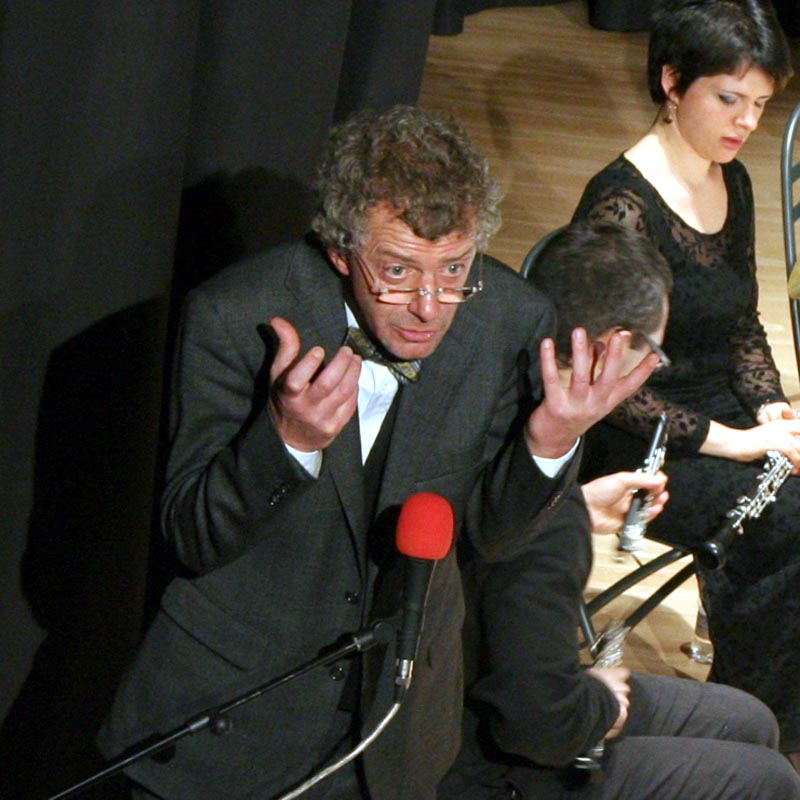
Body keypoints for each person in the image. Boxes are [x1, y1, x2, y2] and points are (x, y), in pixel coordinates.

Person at [95, 106, 657, 800]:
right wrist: (286, 443)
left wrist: (550, 443)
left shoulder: (509, 320)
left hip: (394, 736)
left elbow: (489, 537)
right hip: (230, 729)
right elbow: (192, 535)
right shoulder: (236, 315)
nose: (430, 305)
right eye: (397, 270)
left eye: (455, 269)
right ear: (340, 252)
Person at [438, 220, 800, 800]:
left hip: (505, 684)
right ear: (608, 349)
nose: (655, 368)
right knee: (771, 779)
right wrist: (601, 703)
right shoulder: (541, 496)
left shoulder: (506, 410)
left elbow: (485, 552)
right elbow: (538, 724)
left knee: (752, 720)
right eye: (654, 352)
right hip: (480, 756)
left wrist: (578, 506)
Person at [570, 0, 800, 766]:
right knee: (790, 526)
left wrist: (774, 410)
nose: (747, 123)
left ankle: (771, 699)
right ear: (672, 82)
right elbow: (608, 382)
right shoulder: (620, 206)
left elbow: (741, 323)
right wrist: (740, 443)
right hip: (639, 434)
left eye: (760, 104)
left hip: (724, 417)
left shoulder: (734, 179)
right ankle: (754, 730)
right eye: (729, 99)